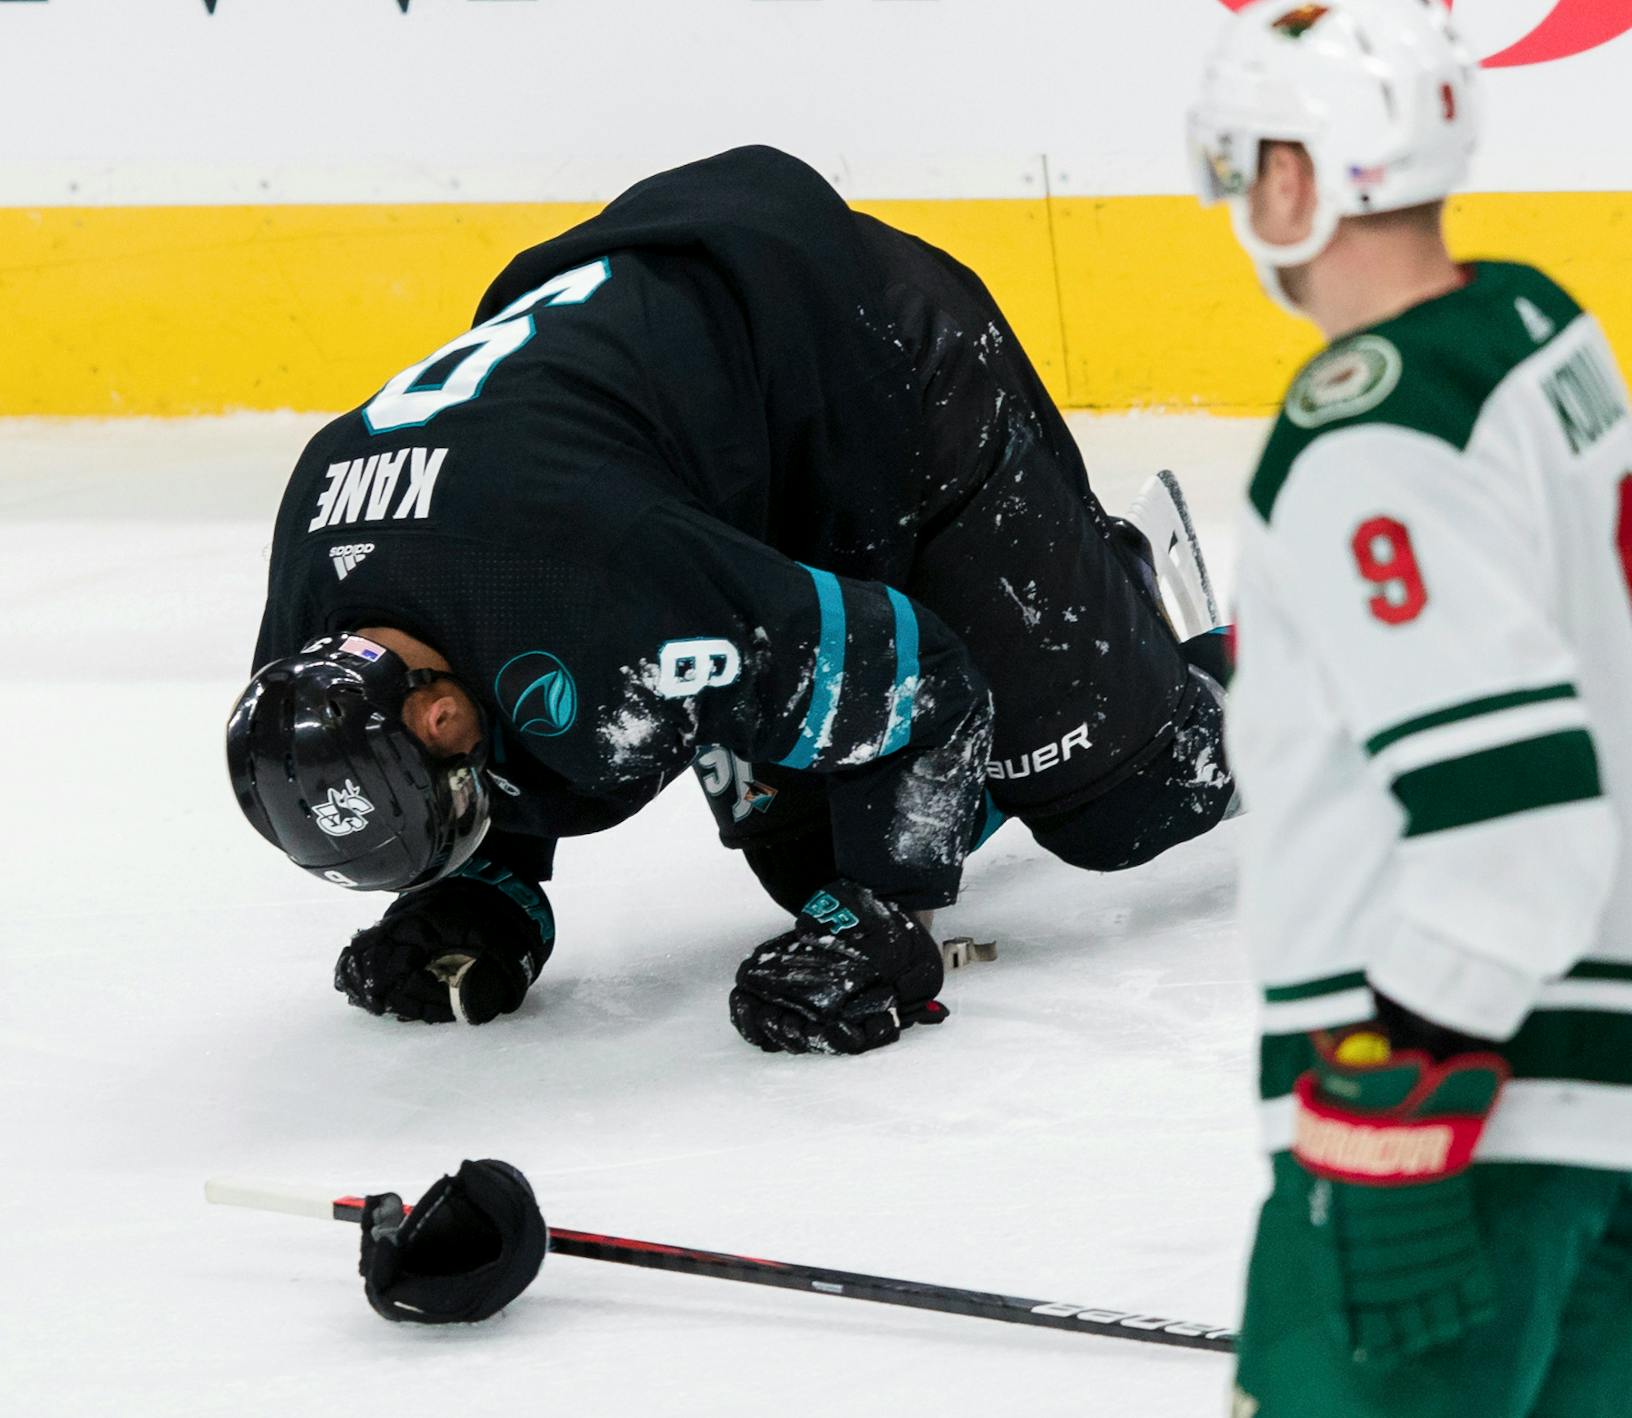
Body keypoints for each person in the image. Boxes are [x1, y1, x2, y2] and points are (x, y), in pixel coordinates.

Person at [227, 144, 1234, 1056]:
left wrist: (890, 915)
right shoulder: (313, 622)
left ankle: (1136, 596)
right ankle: (1060, 659)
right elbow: (480, 638)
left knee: (1135, 804)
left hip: (883, 361)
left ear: (441, 713)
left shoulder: (605, 586)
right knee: (806, 861)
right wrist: (487, 884)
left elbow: (924, 679)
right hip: (705, 440)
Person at [1190, 2, 1632, 1413]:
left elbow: (1517, 816)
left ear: (1298, 179)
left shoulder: (1366, 438)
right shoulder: (1537, 334)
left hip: (1453, 1114)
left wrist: (1410, 1069)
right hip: (1596, 1097)